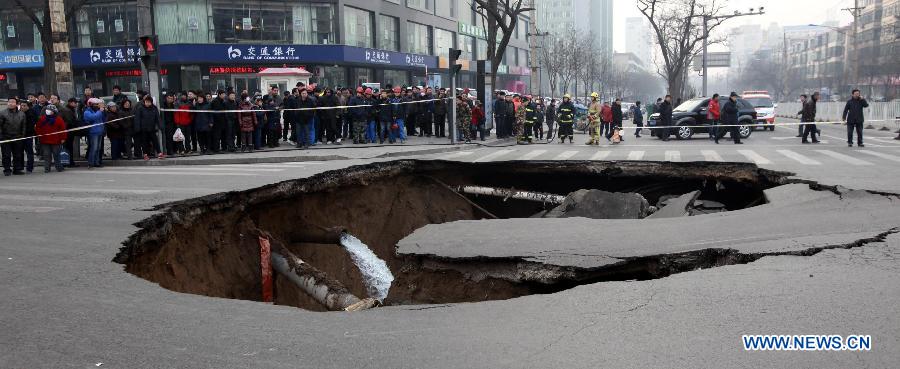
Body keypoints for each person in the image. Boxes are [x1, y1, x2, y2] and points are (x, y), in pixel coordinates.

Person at [34, 103, 67, 173]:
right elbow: (38, 127)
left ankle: (59, 167)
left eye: (50, 110)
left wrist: (63, 138)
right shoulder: (42, 118)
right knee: (46, 155)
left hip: (56, 141)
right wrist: (40, 135)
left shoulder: (58, 119)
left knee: (56, 154)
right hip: (45, 141)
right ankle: (47, 168)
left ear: (54, 111)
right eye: (47, 109)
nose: (48, 111)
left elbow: (63, 129)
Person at [0, 98, 27, 175]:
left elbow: (23, 126)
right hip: (6, 137)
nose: (11, 103)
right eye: (9, 102)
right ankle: (7, 169)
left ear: (17, 104)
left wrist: (22, 136)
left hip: (18, 137)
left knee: (17, 154)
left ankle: (17, 169)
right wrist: (1, 136)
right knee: (6, 155)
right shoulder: (2, 113)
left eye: (12, 102)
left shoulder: (22, 114)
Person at [82, 98, 106, 168]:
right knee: (94, 148)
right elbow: (93, 118)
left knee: (98, 148)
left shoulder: (98, 111)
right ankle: (91, 162)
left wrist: (104, 112)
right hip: (93, 132)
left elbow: (103, 120)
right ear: (90, 104)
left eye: (97, 104)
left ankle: (97, 162)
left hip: (99, 131)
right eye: (96, 104)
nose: (97, 106)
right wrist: (100, 111)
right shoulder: (87, 112)